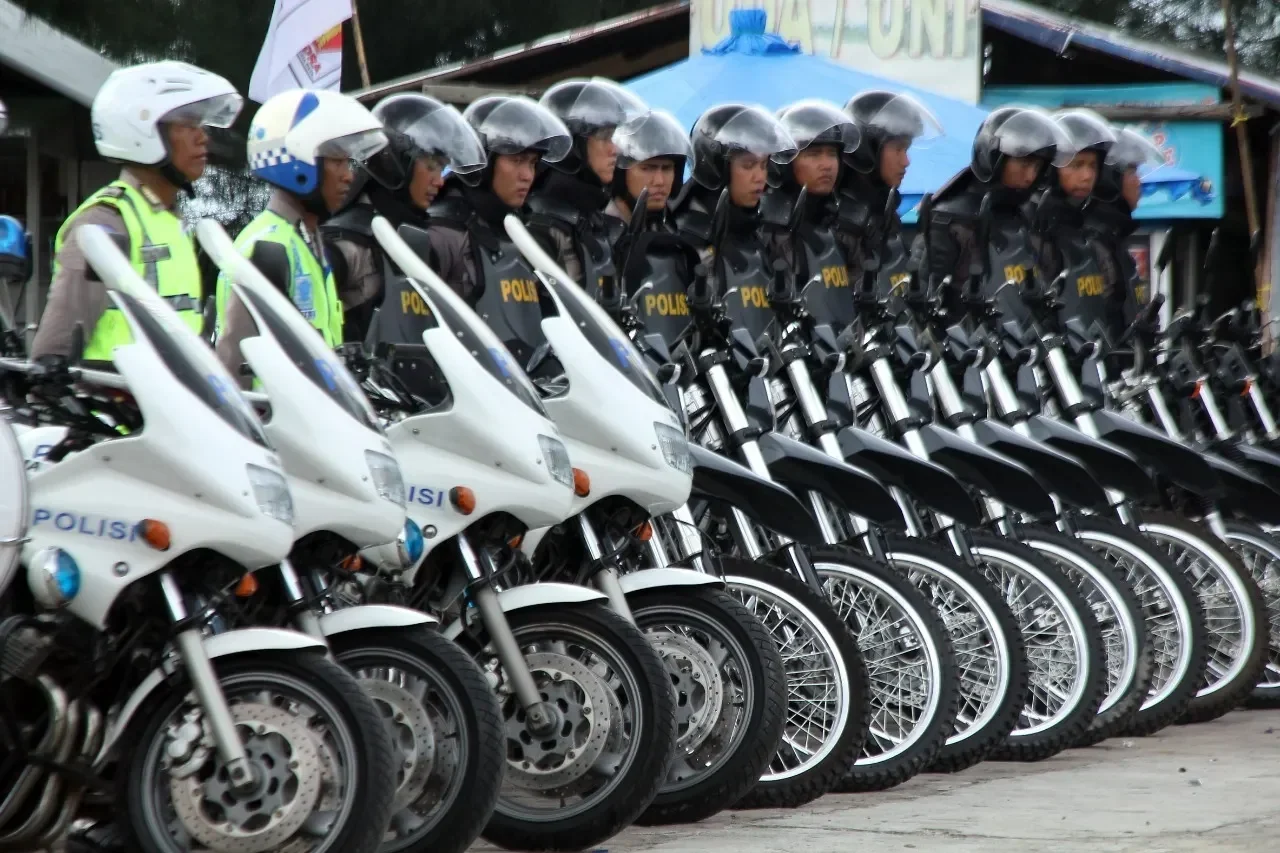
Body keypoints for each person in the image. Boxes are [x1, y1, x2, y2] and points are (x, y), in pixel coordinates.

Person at [30, 60, 242, 363]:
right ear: (142, 129)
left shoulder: (167, 219)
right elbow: (53, 356)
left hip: (173, 406)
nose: (203, 137)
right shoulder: (106, 222)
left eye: (202, 125)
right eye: (188, 124)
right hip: (114, 406)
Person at [213, 88, 387, 380]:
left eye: (348, 162)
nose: (349, 175)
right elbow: (234, 364)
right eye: (337, 161)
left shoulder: (307, 239)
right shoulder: (268, 246)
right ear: (298, 161)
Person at [418, 95, 572, 371]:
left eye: (533, 163)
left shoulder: (528, 234)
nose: (527, 175)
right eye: (517, 161)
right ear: (485, 161)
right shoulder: (444, 232)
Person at [321, 92, 487, 344]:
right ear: (395, 161)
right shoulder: (346, 244)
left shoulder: (419, 240)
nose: (440, 180)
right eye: (431, 166)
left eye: (442, 168)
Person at [916, 106, 1072, 322]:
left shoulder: (1027, 216)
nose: (1030, 175)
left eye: (1037, 166)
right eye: (1024, 163)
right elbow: (923, 299)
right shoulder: (948, 219)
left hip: (1026, 345)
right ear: (994, 156)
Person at [670, 103, 798, 341]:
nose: (760, 176)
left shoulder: (759, 231)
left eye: (763, 165)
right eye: (748, 165)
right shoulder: (684, 237)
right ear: (716, 167)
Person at [526, 77, 647, 296]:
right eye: (605, 137)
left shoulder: (595, 218)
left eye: (615, 137)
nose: (616, 150)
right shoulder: (537, 224)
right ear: (573, 144)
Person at [759, 99, 861, 329]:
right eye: (813, 154)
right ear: (785, 162)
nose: (827, 165)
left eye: (832, 154)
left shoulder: (842, 226)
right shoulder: (765, 229)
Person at [836, 90, 942, 295]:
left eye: (907, 149)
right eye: (898, 149)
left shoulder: (882, 212)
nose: (906, 161)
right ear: (867, 148)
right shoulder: (841, 223)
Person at [1028, 109, 1121, 337]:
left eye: (1092, 166)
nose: (1087, 175)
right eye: (1077, 165)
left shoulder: (1092, 234)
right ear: (1051, 170)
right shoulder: (1032, 230)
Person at [1082, 127, 1165, 335]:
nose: (1139, 182)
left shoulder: (1114, 237)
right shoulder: (1094, 240)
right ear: (1111, 178)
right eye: (1132, 172)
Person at [605, 108, 691, 229]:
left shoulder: (673, 229)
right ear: (621, 173)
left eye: (666, 168)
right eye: (647, 168)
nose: (659, 181)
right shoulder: (595, 232)